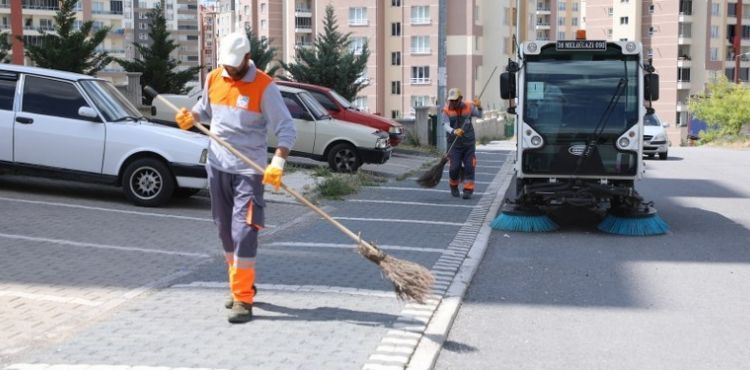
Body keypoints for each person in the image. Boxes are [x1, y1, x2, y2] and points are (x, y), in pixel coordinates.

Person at [174, 32, 296, 324]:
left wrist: (277, 163)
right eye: (226, 65)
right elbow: (204, 111)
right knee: (225, 231)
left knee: (245, 231)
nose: (229, 70)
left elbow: (287, 129)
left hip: (248, 171)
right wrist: (190, 117)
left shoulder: (265, 87)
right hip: (217, 166)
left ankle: (243, 298)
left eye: (234, 65)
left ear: (248, 58)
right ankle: (239, 283)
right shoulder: (215, 78)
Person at [441, 88, 482, 199]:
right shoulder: (446, 110)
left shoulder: (469, 107)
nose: (453, 102)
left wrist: (479, 107)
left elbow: (480, 115)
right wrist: (454, 131)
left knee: (470, 166)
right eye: (451, 100)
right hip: (454, 145)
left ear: (460, 99)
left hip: (468, 143)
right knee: (454, 167)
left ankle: (468, 189)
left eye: (455, 100)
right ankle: (453, 185)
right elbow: (445, 125)